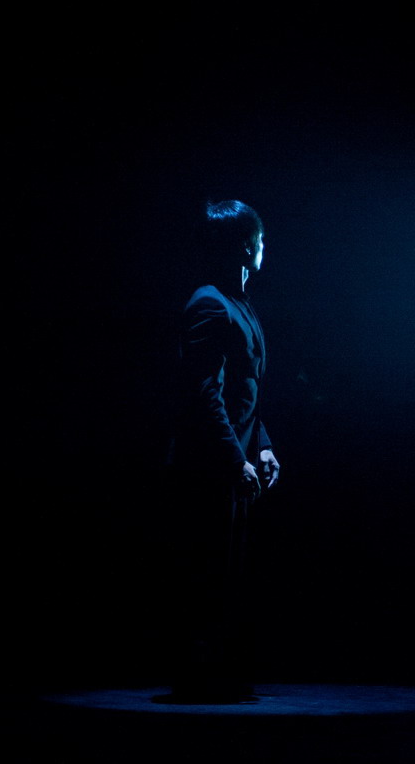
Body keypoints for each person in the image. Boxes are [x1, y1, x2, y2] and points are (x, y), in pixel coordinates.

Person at [159, 199, 281, 703]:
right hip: (209, 466)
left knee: (226, 572)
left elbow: (244, 389)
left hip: (234, 460)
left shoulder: (238, 303)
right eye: (261, 239)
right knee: (207, 571)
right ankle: (198, 677)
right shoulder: (209, 303)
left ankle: (215, 672)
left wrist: (263, 445)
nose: (265, 247)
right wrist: (235, 459)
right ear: (247, 246)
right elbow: (204, 391)